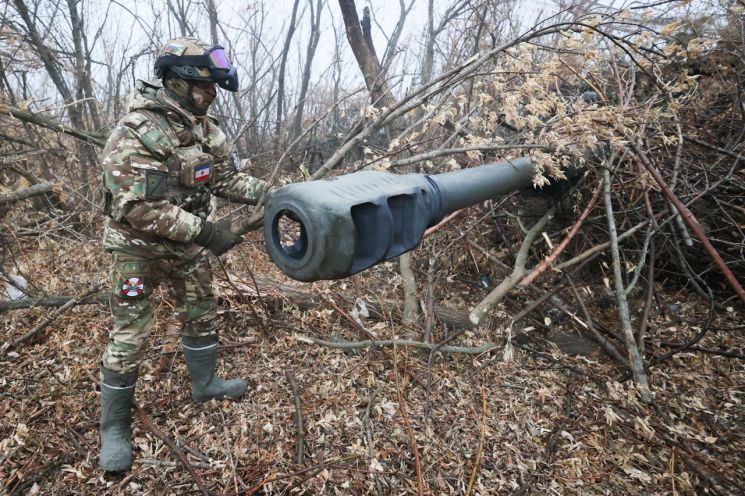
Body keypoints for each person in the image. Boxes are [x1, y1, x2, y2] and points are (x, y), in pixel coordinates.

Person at [98, 37, 265, 472]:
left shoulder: (206, 129)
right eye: (205, 88)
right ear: (177, 81)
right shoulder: (137, 131)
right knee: (131, 333)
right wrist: (208, 233)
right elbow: (137, 208)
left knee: (201, 311)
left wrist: (276, 193)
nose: (211, 96)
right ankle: (114, 428)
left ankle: (205, 383)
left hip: (187, 247)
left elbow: (228, 180)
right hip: (138, 251)